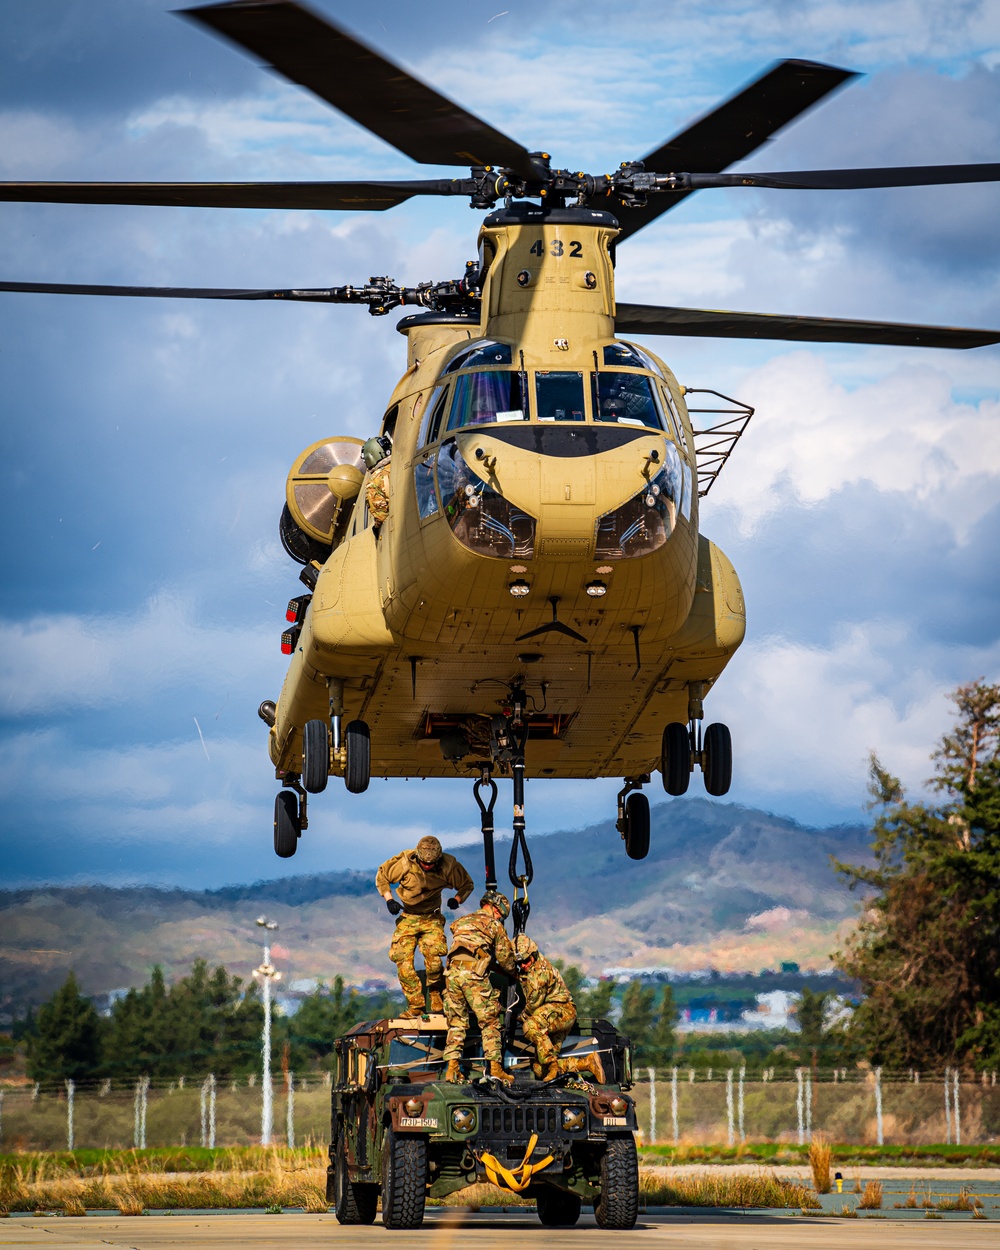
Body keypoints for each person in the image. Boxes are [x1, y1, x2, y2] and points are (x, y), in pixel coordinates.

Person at [375, 836, 474, 1018]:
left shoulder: (448, 866)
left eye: (431, 864)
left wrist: (457, 899)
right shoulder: (405, 862)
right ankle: (416, 1005)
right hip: (408, 916)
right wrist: (389, 900)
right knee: (403, 962)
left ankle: (435, 992)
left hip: (432, 917)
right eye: (424, 863)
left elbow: (467, 884)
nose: (427, 867)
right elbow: (382, 876)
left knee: (434, 960)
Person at [442, 890, 516, 1084]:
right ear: (494, 908)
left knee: (456, 1022)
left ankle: (452, 1069)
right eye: (500, 913)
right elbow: (505, 959)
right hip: (473, 975)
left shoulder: (463, 920)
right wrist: (513, 973)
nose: (500, 917)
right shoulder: (494, 925)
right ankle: (496, 1069)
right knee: (490, 1020)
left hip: (451, 974)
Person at [514, 934, 604, 1083]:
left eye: (525, 960)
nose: (523, 965)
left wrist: (519, 1017)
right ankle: (587, 1063)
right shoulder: (529, 969)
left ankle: (553, 1065)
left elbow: (533, 1005)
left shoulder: (540, 974)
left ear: (533, 955)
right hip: (549, 1016)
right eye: (519, 963)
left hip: (562, 1010)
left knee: (530, 1026)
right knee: (539, 1070)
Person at [362, 436, 392, 528]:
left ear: (370, 457)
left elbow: (381, 516)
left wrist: (376, 527)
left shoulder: (374, 481)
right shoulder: (401, 463)